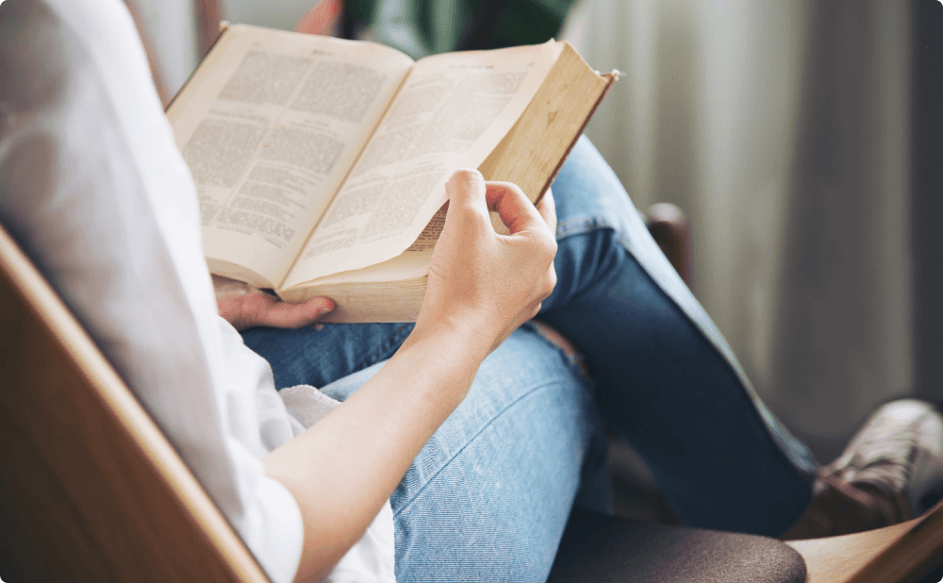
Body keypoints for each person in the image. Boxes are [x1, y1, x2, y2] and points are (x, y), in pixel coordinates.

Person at [1, 0, 941, 582]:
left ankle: (785, 496)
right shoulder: (46, 32)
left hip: (98, 440)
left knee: (549, 201)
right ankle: (794, 511)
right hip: (260, 534)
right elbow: (256, 548)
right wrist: (456, 332)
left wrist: (184, 294)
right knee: (544, 333)